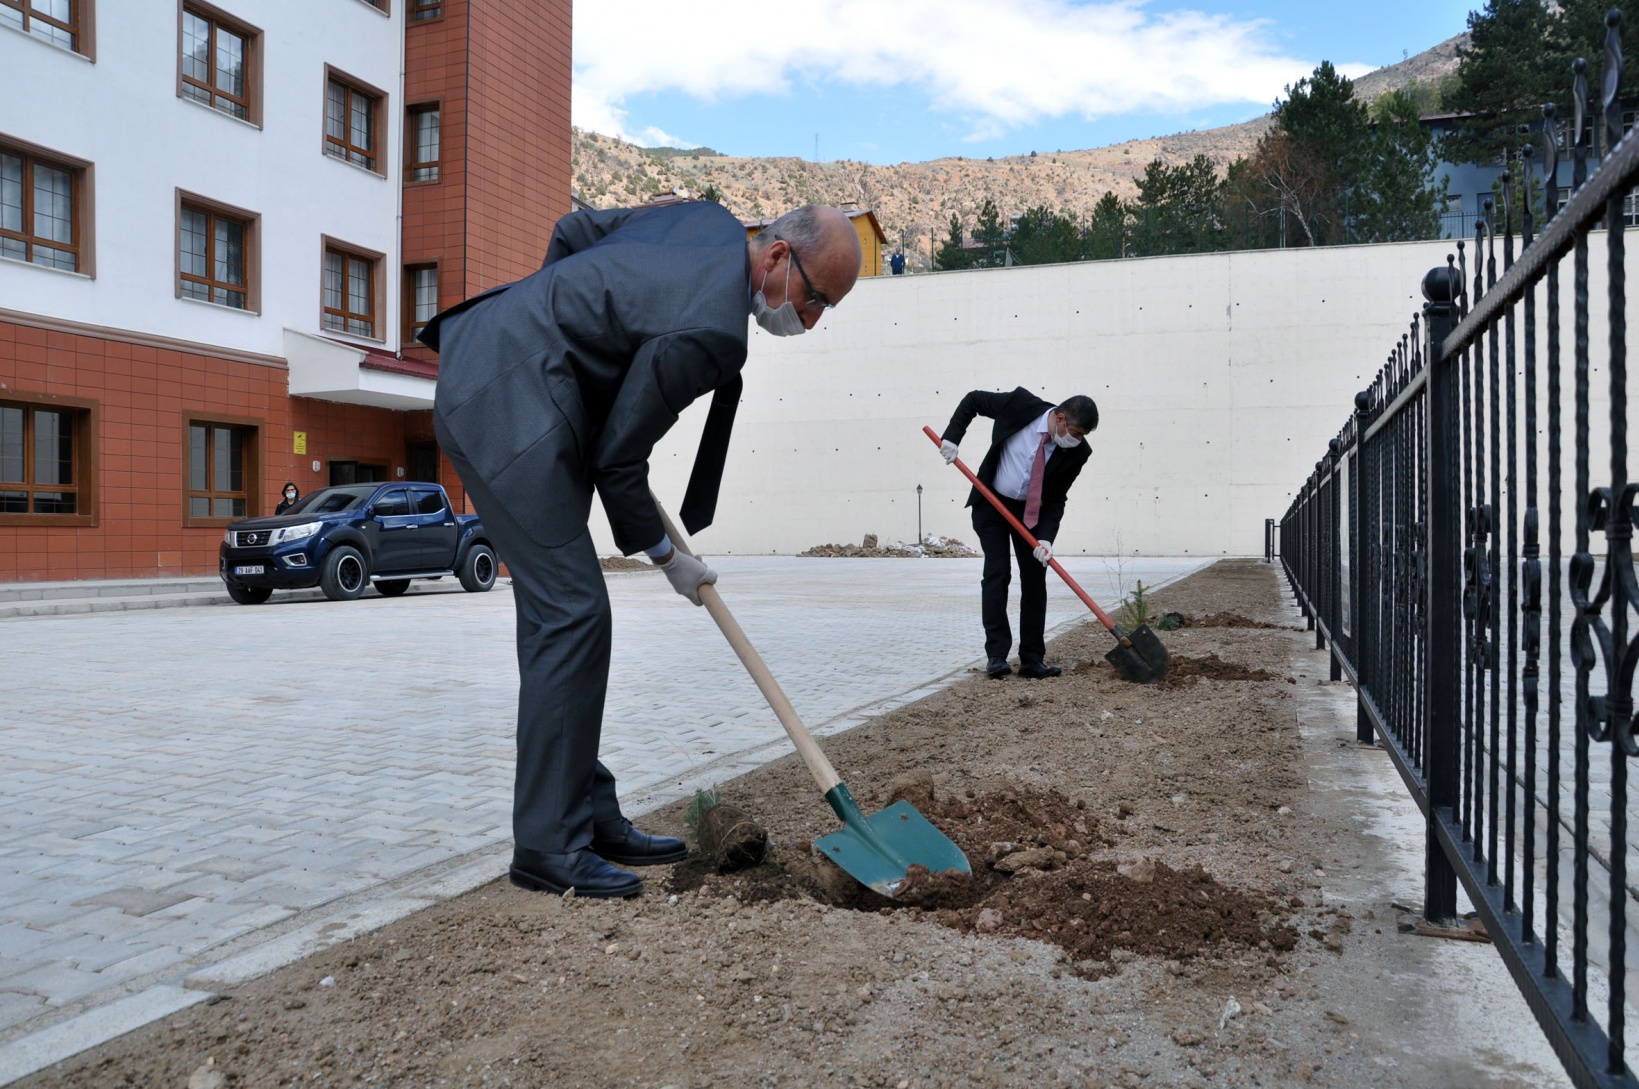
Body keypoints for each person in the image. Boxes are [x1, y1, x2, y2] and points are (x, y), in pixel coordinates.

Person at [419, 202, 861, 898]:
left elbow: (571, 228)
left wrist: (553, 319)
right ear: (778, 258)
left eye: (824, 309)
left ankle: (583, 813)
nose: (810, 321)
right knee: (572, 614)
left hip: (513, 372)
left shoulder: (709, 221)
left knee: (566, 621)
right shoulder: (713, 330)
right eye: (815, 299)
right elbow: (619, 461)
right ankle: (548, 846)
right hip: (505, 408)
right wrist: (669, 558)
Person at [937, 388, 1098, 679]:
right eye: (1075, 432)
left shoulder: (1078, 452)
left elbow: (1057, 496)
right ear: (1060, 419)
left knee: (1035, 579)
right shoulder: (1020, 405)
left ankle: (1032, 660)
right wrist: (952, 437)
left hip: (1032, 514)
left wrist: (1046, 538)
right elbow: (973, 400)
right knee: (998, 573)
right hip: (992, 504)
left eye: (1084, 436)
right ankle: (997, 656)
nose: (1078, 440)